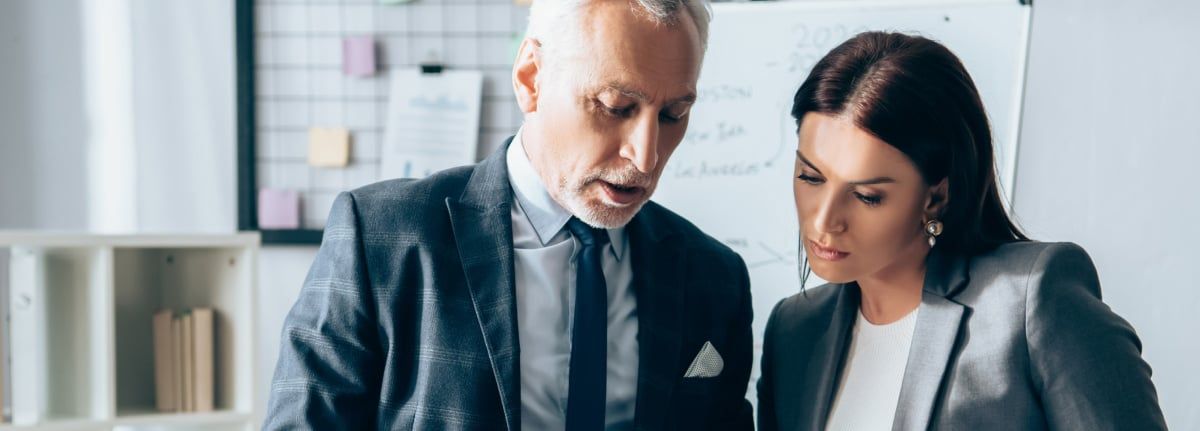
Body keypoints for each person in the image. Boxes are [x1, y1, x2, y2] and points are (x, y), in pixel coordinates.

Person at [263, 0, 754, 429]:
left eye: (673, 116)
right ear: (531, 79)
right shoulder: (379, 239)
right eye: (616, 106)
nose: (646, 157)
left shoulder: (715, 277)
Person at [757, 31, 1167, 431]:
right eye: (811, 178)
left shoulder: (1031, 302)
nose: (824, 220)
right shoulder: (794, 330)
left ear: (936, 197)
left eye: (867, 196)